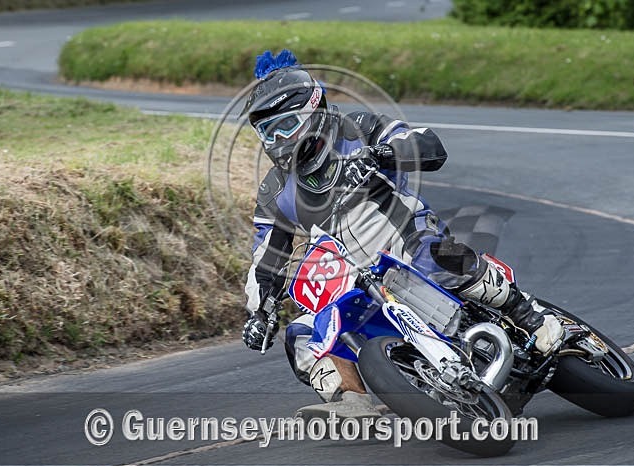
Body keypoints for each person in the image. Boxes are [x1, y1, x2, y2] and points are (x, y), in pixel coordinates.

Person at [240, 50, 563, 420]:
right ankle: (350, 400)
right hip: (350, 276)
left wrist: (381, 153)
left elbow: (428, 144)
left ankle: (529, 315)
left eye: (286, 125)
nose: (278, 139)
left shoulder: (357, 129)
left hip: (407, 240)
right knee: (300, 333)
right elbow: (266, 257)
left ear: (314, 110)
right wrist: (260, 312)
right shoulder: (273, 191)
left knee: (440, 258)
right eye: (267, 131)